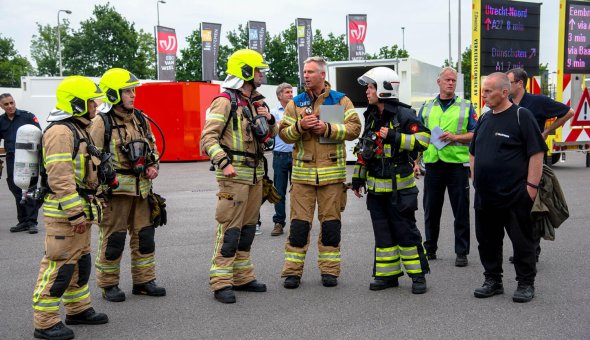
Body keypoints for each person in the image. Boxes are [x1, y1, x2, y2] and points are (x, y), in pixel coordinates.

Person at [32, 76, 109, 340]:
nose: (96, 106)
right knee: (59, 265)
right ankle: (45, 322)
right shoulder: (60, 132)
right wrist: (75, 211)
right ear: (76, 103)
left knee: (80, 262)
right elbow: (60, 176)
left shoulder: (78, 129)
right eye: (91, 101)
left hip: (80, 209)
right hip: (65, 212)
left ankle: (78, 309)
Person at [200, 49, 278, 303]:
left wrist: (270, 119)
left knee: (246, 230)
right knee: (230, 231)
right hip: (234, 178)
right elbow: (207, 138)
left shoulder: (256, 102)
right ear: (246, 72)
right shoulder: (224, 101)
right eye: (258, 70)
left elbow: (270, 135)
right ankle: (221, 281)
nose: (262, 74)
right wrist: (223, 163)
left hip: (255, 176)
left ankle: (242, 277)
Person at [279, 56, 361, 289]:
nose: (306, 75)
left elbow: (355, 128)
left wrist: (327, 128)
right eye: (304, 72)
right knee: (298, 226)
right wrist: (299, 126)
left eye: (311, 72)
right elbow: (283, 133)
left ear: (323, 75)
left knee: (331, 226)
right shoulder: (295, 103)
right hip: (303, 177)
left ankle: (329, 272)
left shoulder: (340, 101)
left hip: (332, 178)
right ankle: (292, 273)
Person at [352, 67, 431, 294]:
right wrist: (358, 179)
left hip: (400, 190)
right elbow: (365, 149)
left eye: (371, 87)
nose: (367, 91)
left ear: (384, 89)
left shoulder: (405, 115)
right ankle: (387, 276)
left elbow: (423, 140)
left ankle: (418, 277)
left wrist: (395, 136)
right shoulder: (371, 115)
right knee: (383, 233)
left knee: (405, 231)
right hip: (377, 191)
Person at [90, 68, 166, 302]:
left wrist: (153, 166)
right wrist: (99, 192)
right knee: (114, 239)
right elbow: (92, 160)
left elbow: (152, 148)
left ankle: (144, 281)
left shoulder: (141, 119)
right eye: (127, 91)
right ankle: (109, 284)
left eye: (133, 91)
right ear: (113, 94)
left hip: (142, 190)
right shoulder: (101, 123)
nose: (133, 95)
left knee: (144, 237)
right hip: (115, 193)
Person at [470, 72, 546, 303]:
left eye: (488, 91)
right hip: (485, 197)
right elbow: (473, 151)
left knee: (523, 243)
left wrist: (531, 189)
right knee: (487, 241)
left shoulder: (522, 116)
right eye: (483, 91)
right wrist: (475, 179)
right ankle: (493, 280)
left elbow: (537, 153)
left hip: (515, 196)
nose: (483, 95)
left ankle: (525, 284)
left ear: (504, 92)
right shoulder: (484, 118)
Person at [506, 68, 574, 263]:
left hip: (533, 161)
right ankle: (522, 248)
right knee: (514, 210)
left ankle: (531, 250)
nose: (506, 86)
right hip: (513, 163)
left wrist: (546, 132)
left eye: (509, 82)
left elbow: (569, 111)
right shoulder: (508, 104)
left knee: (532, 206)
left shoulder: (537, 102)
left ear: (519, 83)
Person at [414, 67, 477, 267]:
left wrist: (456, 137)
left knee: (461, 211)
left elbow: (476, 134)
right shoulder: (427, 107)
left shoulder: (466, 106)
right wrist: (415, 162)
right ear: (438, 82)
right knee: (431, 210)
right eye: (447, 80)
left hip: (457, 165)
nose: (451, 83)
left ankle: (461, 252)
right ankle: (430, 248)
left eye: (454, 81)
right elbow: (419, 137)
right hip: (433, 165)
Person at [0, 93, 41, 234]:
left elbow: (39, 134)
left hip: (28, 158)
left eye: (11, 102)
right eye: (6, 104)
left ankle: (32, 222)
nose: (10, 106)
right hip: (12, 158)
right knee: (16, 189)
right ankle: (23, 221)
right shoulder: (1, 121)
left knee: (30, 189)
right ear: (1, 106)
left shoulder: (27, 116)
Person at [270, 82, 294, 236]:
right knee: (279, 192)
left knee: (299, 192)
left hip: (297, 156)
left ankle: (299, 222)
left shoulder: (297, 111)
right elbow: (273, 131)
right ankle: (279, 222)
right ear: (279, 96)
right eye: (287, 92)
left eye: (291, 92)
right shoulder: (272, 113)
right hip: (279, 156)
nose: (291, 94)